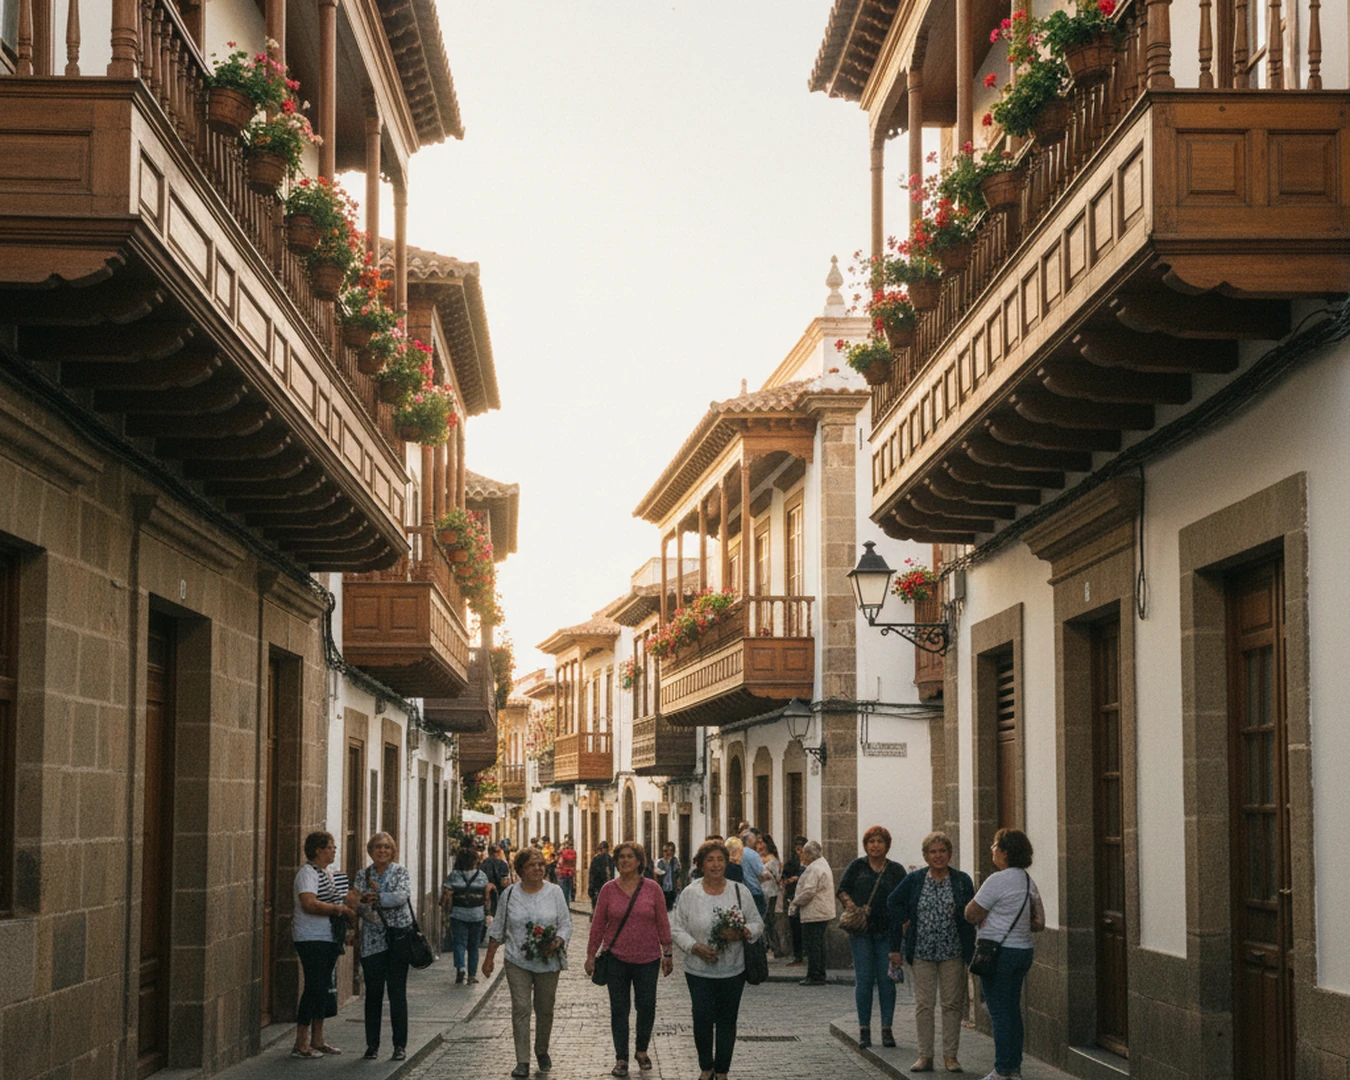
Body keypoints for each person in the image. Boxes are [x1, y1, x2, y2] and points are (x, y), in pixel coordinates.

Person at [670, 840, 764, 1080]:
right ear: (701, 864)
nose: (715, 865)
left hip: (733, 970)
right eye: (710, 860)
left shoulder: (739, 891)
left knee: (726, 1020)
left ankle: (722, 1071)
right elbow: (677, 929)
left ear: (726, 862)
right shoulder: (691, 893)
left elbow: (757, 922)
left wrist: (742, 932)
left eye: (720, 859)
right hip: (698, 970)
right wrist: (695, 947)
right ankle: (705, 1067)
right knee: (701, 1018)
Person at [887, 831, 976, 1073]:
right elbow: (893, 902)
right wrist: (902, 932)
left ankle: (951, 1056)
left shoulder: (961, 880)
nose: (938, 856)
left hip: (953, 951)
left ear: (950, 853)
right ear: (926, 856)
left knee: (951, 1005)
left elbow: (972, 913)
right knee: (924, 1005)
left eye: (942, 851)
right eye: (933, 852)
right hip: (922, 951)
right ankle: (925, 1056)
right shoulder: (915, 879)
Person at [585, 842, 674, 1077]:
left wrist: (668, 951)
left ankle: (642, 1049)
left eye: (630, 857)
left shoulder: (653, 889)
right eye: (621, 857)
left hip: (648, 958)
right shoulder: (608, 890)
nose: (625, 860)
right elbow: (598, 925)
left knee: (646, 1006)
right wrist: (590, 954)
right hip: (616, 959)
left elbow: (662, 921)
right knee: (619, 1009)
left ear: (639, 861)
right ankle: (621, 1057)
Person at [484, 847, 572, 1078]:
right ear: (520, 869)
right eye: (532, 864)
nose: (537, 868)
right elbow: (499, 925)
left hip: (548, 959)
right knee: (521, 1008)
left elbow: (565, 923)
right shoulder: (510, 894)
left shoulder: (554, 892)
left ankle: (541, 1049)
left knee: (545, 1009)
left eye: (541, 864)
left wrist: (558, 941)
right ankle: (522, 1060)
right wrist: (489, 958)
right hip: (517, 960)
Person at [964, 829, 1045, 1080]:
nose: (992, 849)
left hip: (998, 953)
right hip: (1023, 951)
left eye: (995, 845)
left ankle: (1002, 1071)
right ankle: (1014, 1068)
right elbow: (1039, 922)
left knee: (999, 1013)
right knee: (1012, 1011)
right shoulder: (1027, 880)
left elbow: (970, 913)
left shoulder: (996, 880)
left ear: (1006, 852)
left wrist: (991, 918)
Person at [838, 826, 908, 1049]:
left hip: (887, 932)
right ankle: (864, 1030)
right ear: (865, 845)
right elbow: (842, 889)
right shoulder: (857, 867)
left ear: (887, 845)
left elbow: (905, 898)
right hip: (861, 932)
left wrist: (904, 924)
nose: (875, 845)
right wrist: (851, 905)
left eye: (879, 841)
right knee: (864, 980)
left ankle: (887, 1029)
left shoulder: (896, 870)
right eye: (871, 841)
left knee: (887, 981)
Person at [349, 832, 413, 1061]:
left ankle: (399, 1045)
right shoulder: (362, 874)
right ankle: (372, 1045)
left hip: (398, 939)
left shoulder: (401, 872)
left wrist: (375, 898)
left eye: (386, 847)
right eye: (378, 847)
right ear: (370, 850)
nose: (382, 850)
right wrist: (367, 903)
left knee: (397, 993)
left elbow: (401, 897)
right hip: (372, 941)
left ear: (392, 850)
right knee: (373, 994)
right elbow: (355, 902)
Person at [291, 831, 353, 1058]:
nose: (334, 850)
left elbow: (343, 898)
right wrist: (339, 910)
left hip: (327, 938)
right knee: (314, 987)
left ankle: (317, 1039)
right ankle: (301, 1042)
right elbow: (309, 903)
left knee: (323, 989)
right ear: (318, 850)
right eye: (330, 847)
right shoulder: (307, 873)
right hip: (310, 937)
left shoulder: (329, 873)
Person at [442, 847, 491, 985]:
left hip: (458, 914)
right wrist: (487, 912)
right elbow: (486, 896)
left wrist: (443, 907)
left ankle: (461, 968)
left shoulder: (454, 875)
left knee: (459, 943)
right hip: (477, 914)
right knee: (474, 946)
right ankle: (472, 976)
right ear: (475, 861)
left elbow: (446, 894)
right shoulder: (481, 875)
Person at [788, 840, 833, 986]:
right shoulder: (821, 864)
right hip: (821, 910)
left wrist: (796, 901)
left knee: (813, 945)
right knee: (818, 944)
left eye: (804, 854)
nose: (802, 857)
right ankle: (819, 973)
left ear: (809, 854)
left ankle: (814, 975)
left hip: (815, 911)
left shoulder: (815, 868)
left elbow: (809, 891)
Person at [756, 835, 785, 958]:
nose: (761, 846)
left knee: (768, 920)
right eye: (759, 843)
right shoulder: (758, 858)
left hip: (770, 892)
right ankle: (772, 946)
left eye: (763, 843)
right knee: (766, 920)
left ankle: (775, 947)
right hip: (762, 892)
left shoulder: (771, 859)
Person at [781, 836, 806, 965]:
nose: (799, 849)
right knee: (795, 927)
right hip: (793, 896)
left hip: (805, 898)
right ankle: (798, 956)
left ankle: (804, 954)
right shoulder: (791, 863)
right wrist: (787, 879)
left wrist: (797, 878)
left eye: (801, 846)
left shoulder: (810, 863)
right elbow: (784, 875)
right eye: (797, 846)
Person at [481, 843, 513, 943]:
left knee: (487, 915)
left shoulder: (482, 864)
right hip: (499, 894)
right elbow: (504, 882)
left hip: (484, 894)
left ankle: (485, 937)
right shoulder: (502, 864)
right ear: (498, 852)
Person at [735, 831, 767, 917]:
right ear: (749, 841)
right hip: (754, 890)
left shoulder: (737, 853)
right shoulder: (753, 854)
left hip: (740, 891)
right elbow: (761, 872)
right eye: (754, 839)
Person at [655, 842, 682, 911]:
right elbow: (657, 874)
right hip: (663, 889)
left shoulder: (675, 861)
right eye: (665, 851)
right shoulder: (660, 862)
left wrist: (678, 886)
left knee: (671, 907)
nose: (667, 853)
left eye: (669, 851)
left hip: (672, 889)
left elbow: (677, 874)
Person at [589, 840, 616, 907]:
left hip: (599, 888)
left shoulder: (596, 859)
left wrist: (591, 889)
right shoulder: (611, 859)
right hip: (607, 888)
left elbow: (592, 875)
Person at [557, 836, 578, 904]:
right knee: (568, 889)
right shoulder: (574, 853)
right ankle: (567, 903)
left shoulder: (564, 853)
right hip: (570, 873)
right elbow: (574, 863)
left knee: (563, 890)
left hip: (563, 873)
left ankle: (564, 905)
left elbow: (560, 862)